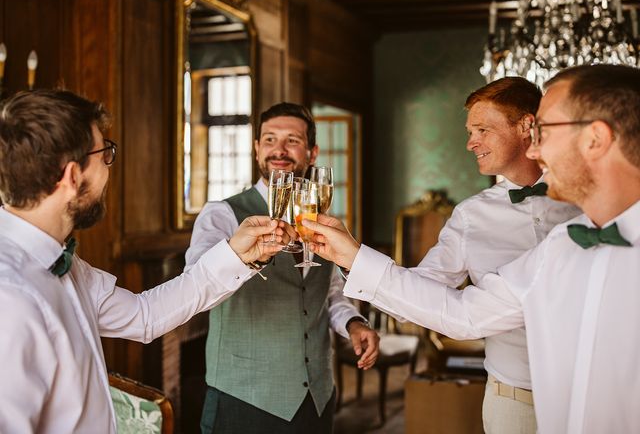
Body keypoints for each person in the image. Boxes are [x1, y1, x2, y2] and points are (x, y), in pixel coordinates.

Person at [306, 64, 640, 433]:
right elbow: (464, 314)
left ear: (595, 138)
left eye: (545, 130)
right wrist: (352, 257)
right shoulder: (561, 247)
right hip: (518, 397)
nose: (537, 147)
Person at [0, 89, 291, 434]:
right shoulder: (10, 299)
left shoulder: (64, 261)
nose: (110, 168)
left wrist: (236, 254)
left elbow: (144, 316)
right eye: (104, 154)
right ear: (72, 177)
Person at [185, 102, 380, 434]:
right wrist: (247, 257)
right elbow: (196, 288)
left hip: (316, 399)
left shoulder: (324, 222)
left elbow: (329, 294)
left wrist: (354, 323)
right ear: (257, 148)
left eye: (292, 140)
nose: (280, 149)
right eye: (270, 139)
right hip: (244, 400)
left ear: (312, 152)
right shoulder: (222, 215)